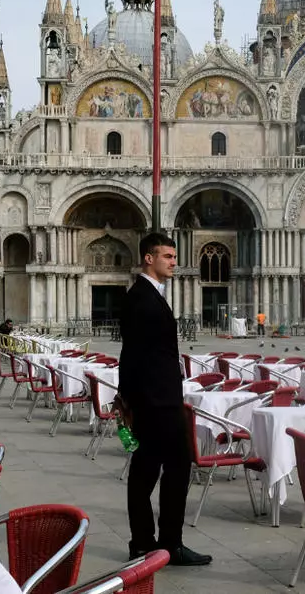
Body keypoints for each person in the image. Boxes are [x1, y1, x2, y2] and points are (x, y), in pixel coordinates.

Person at [118, 232, 210, 567]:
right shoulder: (141, 298)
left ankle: (145, 543)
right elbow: (134, 356)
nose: (174, 262)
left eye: (173, 256)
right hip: (157, 404)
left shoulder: (148, 295)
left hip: (155, 400)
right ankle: (167, 544)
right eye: (168, 256)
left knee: (146, 473)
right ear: (149, 258)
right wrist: (133, 401)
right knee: (172, 469)